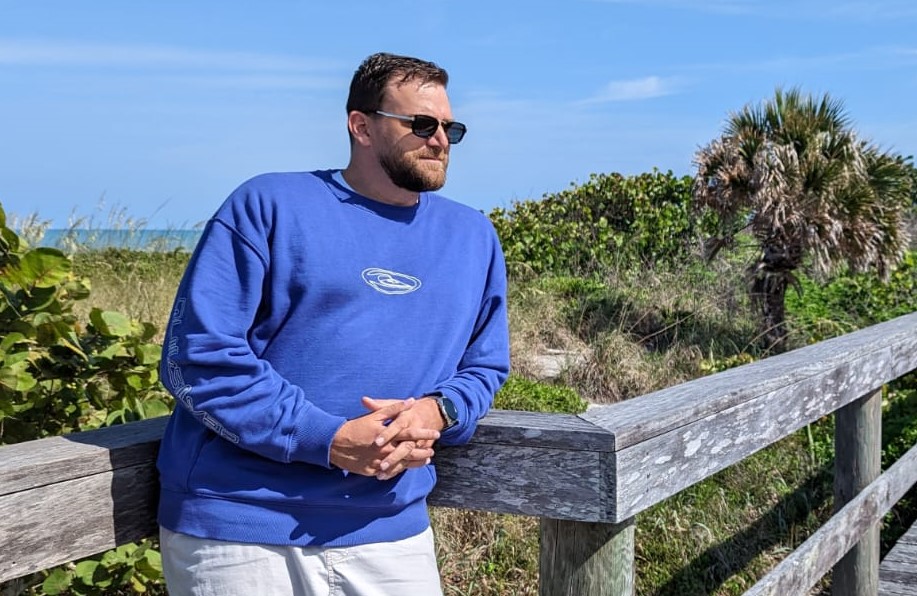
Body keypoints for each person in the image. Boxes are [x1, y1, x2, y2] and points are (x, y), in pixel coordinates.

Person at [155, 52, 510, 596]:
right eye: (420, 124)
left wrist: (437, 412)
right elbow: (197, 360)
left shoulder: (473, 237)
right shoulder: (268, 204)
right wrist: (331, 439)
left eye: (449, 127)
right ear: (360, 126)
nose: (439, 140)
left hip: (390, 530)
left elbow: (484, 366)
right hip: (240, 531)